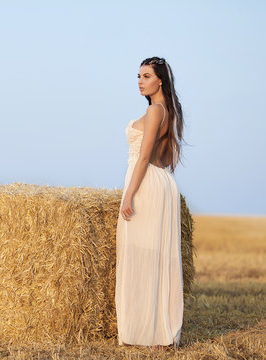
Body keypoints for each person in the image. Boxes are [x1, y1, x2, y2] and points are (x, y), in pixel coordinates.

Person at [115, 56, 185, 349]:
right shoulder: (168, 111)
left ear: (160, 81)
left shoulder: (156, 110)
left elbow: (144, 157)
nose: (140, 81)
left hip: (145, 184)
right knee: (155, 257)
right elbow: (166, 158)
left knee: (142, 256)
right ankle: (154, 331)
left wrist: (129, 195)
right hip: (160, 182)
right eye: (138, 76)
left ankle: (150, 333)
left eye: (146, 76)